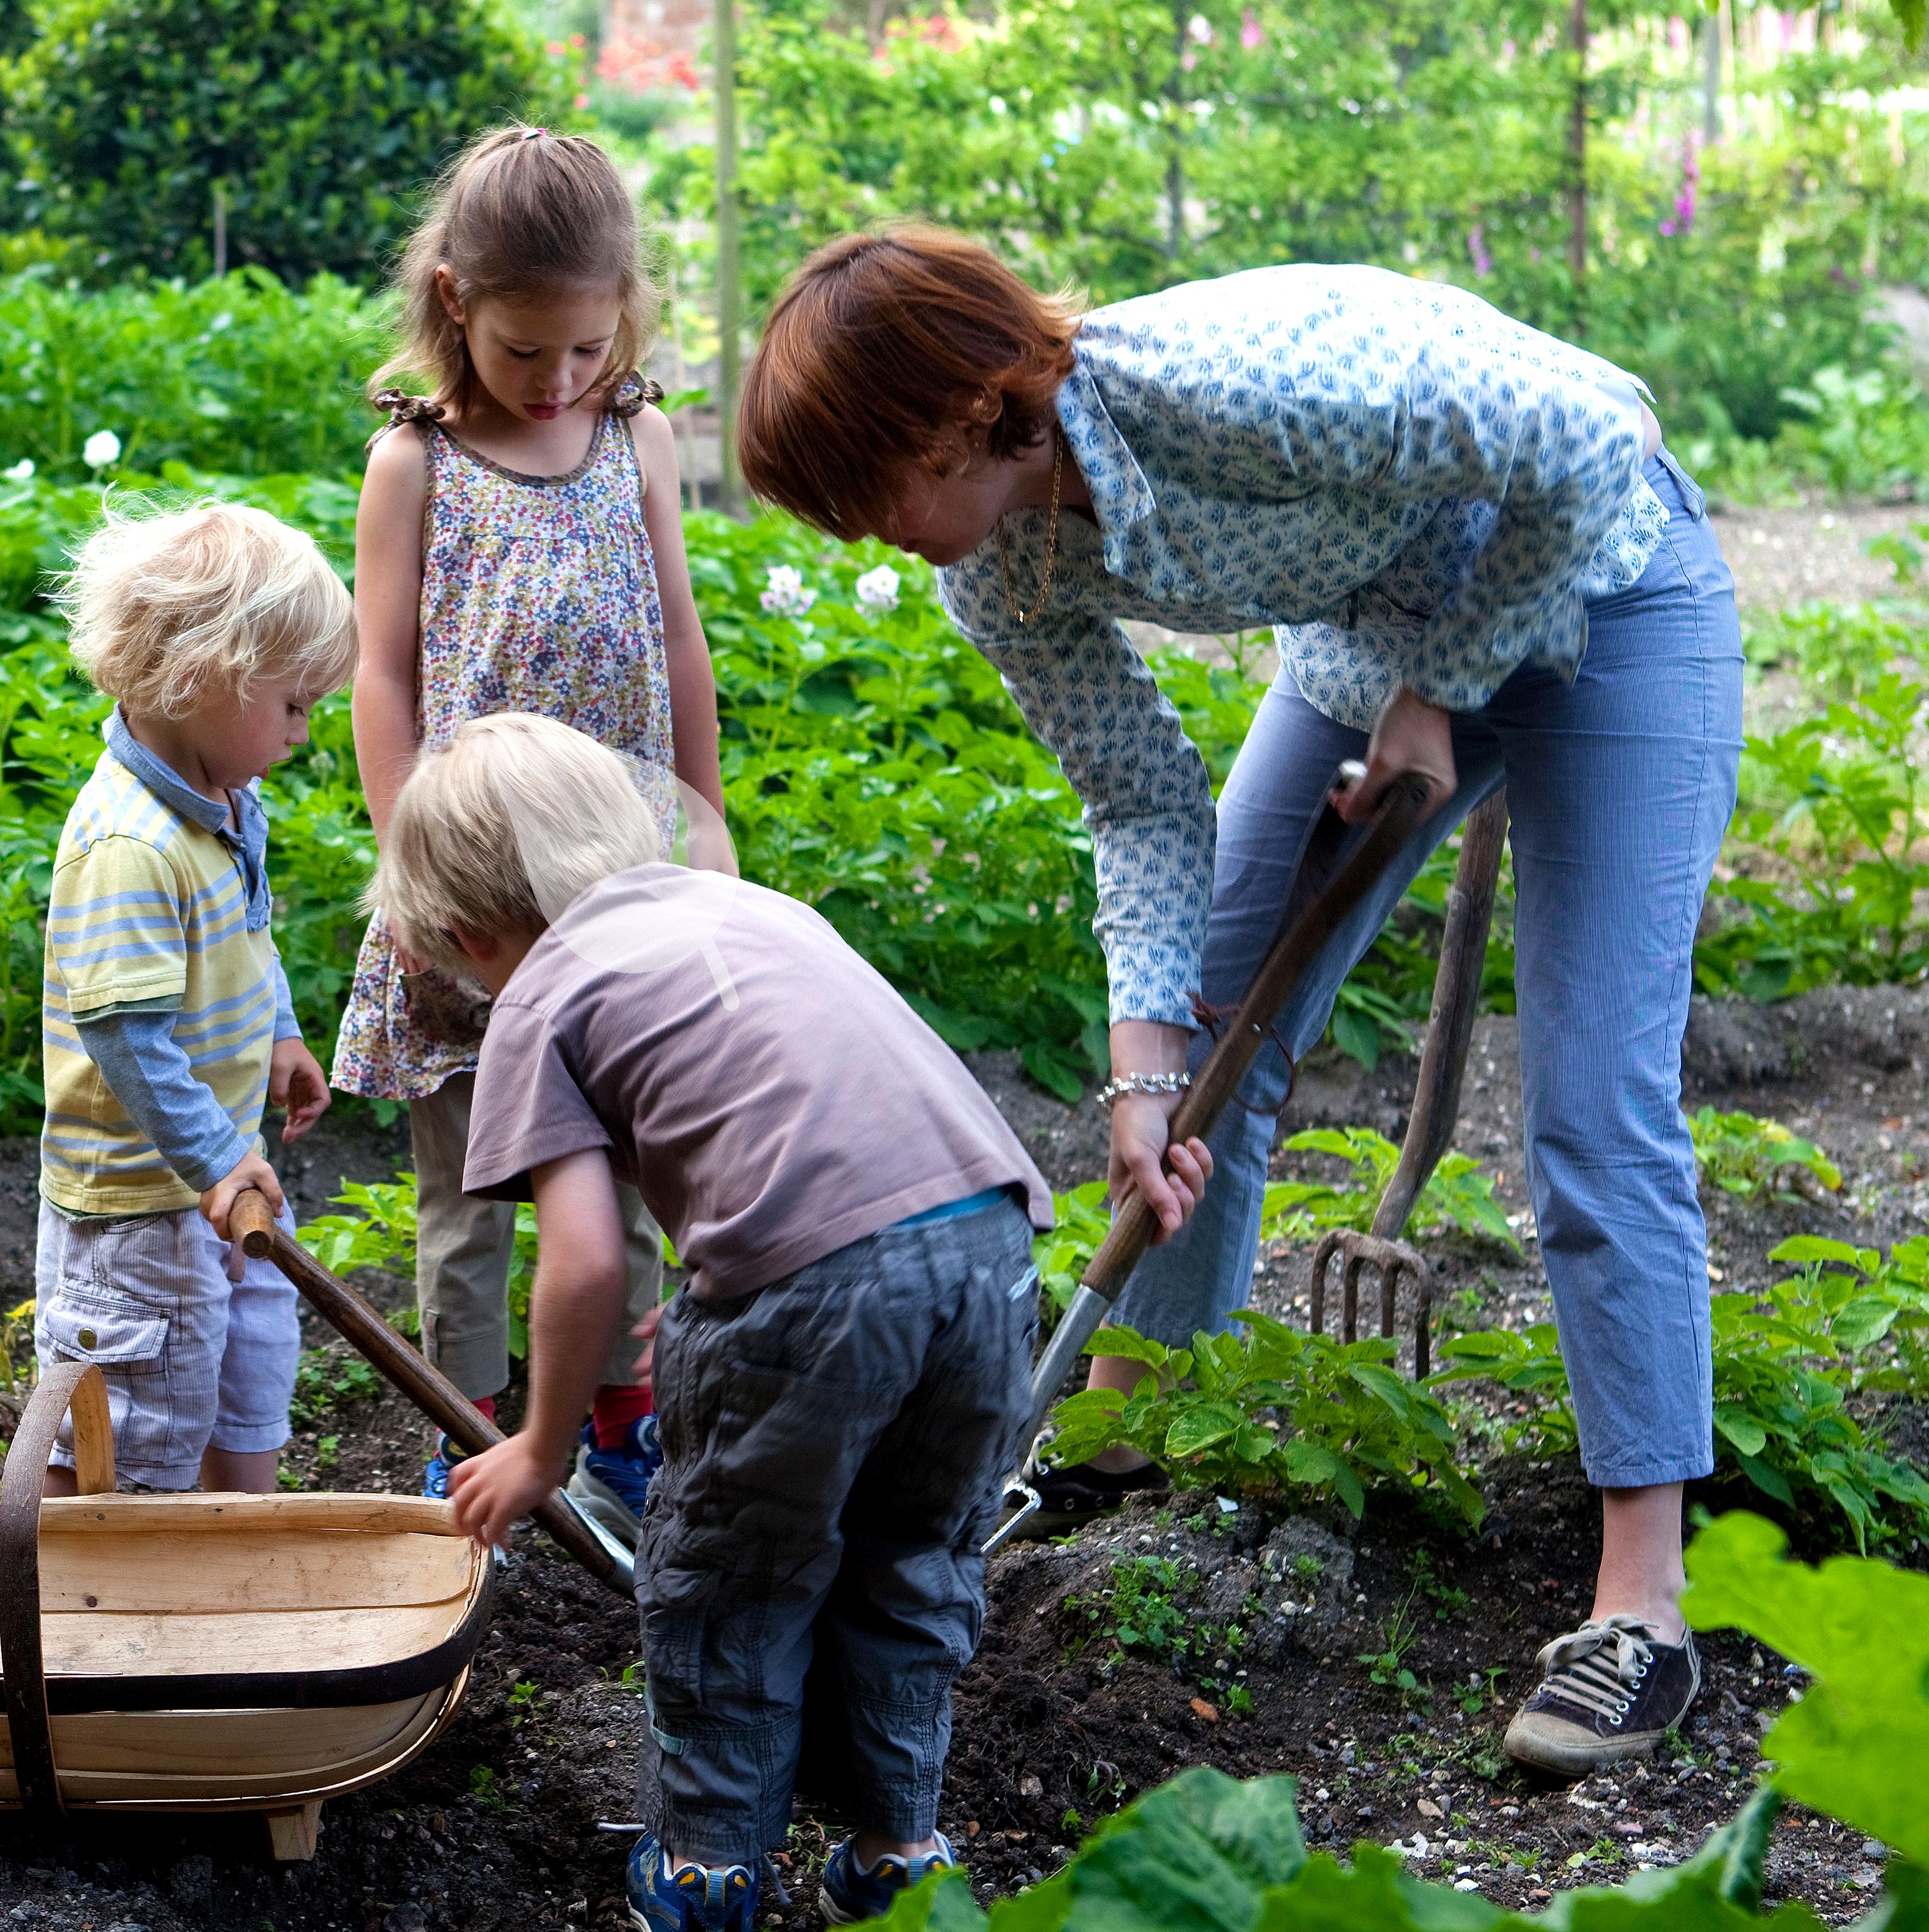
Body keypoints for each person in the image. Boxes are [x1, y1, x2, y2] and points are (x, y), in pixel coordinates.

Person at [736, 225, 1744, 1780]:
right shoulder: (996, 569)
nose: (872, 535)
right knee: (1209, 1033)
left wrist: (1442, 686)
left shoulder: (1237, 379)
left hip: (1609, 590)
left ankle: (1640, 1607)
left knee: (1589, 1101)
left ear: (961, 414)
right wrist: (1143, 1069)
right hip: (1380, 646)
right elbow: (1139, 799)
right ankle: (1143, 1432)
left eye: (870, 488)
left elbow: (1599, 434)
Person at [375, 713, 1161, 1932]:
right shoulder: (746, 909)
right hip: (990, 1249)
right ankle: (896, 1857)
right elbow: (793, 1123)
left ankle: (704, 1879)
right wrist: (723, 1311)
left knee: (731, 1581)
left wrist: (540, 1447)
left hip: (817, 1287)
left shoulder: (537, 994)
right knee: (912, 1562)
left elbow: (581, 1263)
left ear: (471, 935)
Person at [337, 123, 725, 1540]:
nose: (558, 379)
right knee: (467, 1198)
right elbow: (382, 675)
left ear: (623, 311)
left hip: (615, 884)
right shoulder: (418, 466)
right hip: (475, 890)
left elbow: (676, 640)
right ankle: (467, 1445)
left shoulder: (638, 437)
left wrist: (708, 819)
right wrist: (411, 865)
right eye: (522, 353)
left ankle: (616, 1440)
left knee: (621, 1183)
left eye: (584, 346)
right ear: (453, 305)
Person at [31, 498, 357, 1499]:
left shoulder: (221, 801)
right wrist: (219, 1161)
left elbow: (242, 942)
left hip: (221, 1182)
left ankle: (238, 1580)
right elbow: (124, 1034)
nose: (305, 734)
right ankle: (88, 1611)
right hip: (140, 1208)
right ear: (197, 674)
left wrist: (280, 1034)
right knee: (128, 1431)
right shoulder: (131, 844)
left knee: (245, 1380)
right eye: (295, 705)